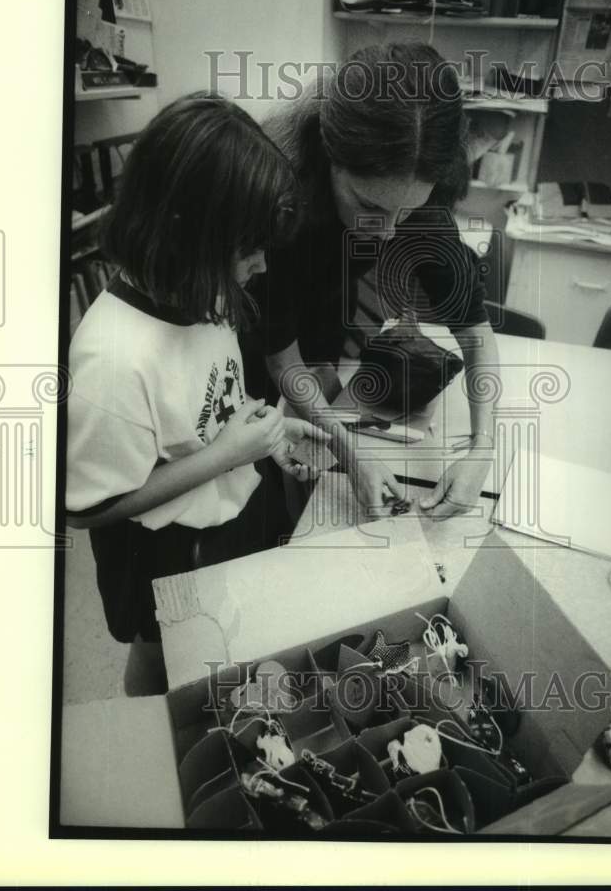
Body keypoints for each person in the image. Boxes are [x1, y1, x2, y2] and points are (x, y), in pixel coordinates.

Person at [65, 93, 329, 675]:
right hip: (161, 551)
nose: (262, 266)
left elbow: (213, 401)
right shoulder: (113, 360)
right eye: (248, 249)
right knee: (162, 663)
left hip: (225, 509)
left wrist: (270, 436)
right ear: (188, 237)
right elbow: (89, 509)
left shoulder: (202, 290)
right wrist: (225, 455)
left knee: (214, 649)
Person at [246, 42, 499, 520]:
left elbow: (476, 333)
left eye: (408, 212)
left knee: (316, 435)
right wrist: (349, 451)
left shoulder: (417, 192)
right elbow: (281, 358)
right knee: (258, 471)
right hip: (241, 342)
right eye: (369, 207)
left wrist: (481, 449)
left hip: (322, 320)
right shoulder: (281, 197)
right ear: (329, 160)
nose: (388, 232)